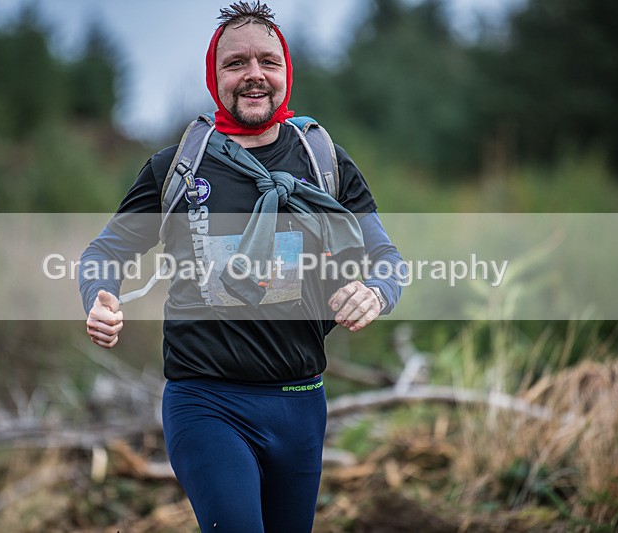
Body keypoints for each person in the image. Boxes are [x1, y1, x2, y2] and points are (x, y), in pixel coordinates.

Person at [79, 2, 404, 531]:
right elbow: (103, 253)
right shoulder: (178, 167)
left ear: (285, 72)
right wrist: (98, 297)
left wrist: (375, 290)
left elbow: (386, 260)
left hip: (301, 404)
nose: (254, 75)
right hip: (205, 400)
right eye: (236, 63)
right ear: (215, 74)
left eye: (267, 62)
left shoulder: (323, 160)